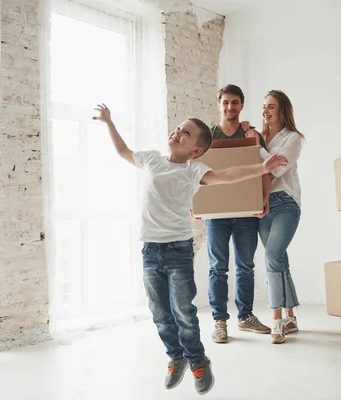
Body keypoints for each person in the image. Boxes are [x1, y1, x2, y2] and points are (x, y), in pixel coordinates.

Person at [92, 103, 288, 393]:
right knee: (159, 312)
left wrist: (262, 167)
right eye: (178, 128)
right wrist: (109, 122)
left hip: (178, 251)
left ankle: (197, 360)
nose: (178, 133)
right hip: (150, 251)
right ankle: (175, 357)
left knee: (183, 311)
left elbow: (228, 175)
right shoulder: (151, 159)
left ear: (196, 150)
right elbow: (123, 152)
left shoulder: (194, 170)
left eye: (186, 133)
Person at [205, 84, 272, 344]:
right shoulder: (208, 135)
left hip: (246, 212)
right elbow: (195, 170)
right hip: (216, 214)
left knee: (245, 266)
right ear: (219, 104)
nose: (230, 107)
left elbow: (263, 168)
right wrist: (195, 203)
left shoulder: (251, 134)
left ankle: (245, 317)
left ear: (241, 105)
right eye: (225, 102)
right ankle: (220, 322)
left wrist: (263, 198)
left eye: (235, 102)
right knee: (217, 268)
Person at [246, 90, 304, 344]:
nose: (265, 111)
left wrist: (257, 147)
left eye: (271, 106)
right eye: (263, 106)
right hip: (263, 204)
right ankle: (291, 317)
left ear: (283, 110)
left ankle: (277, 320)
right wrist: (253, 142)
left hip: (286, 204)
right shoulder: (261, 139)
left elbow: (277, 169)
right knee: (279, 258)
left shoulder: (292, 139)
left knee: (271, 256)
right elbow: (256, 170)